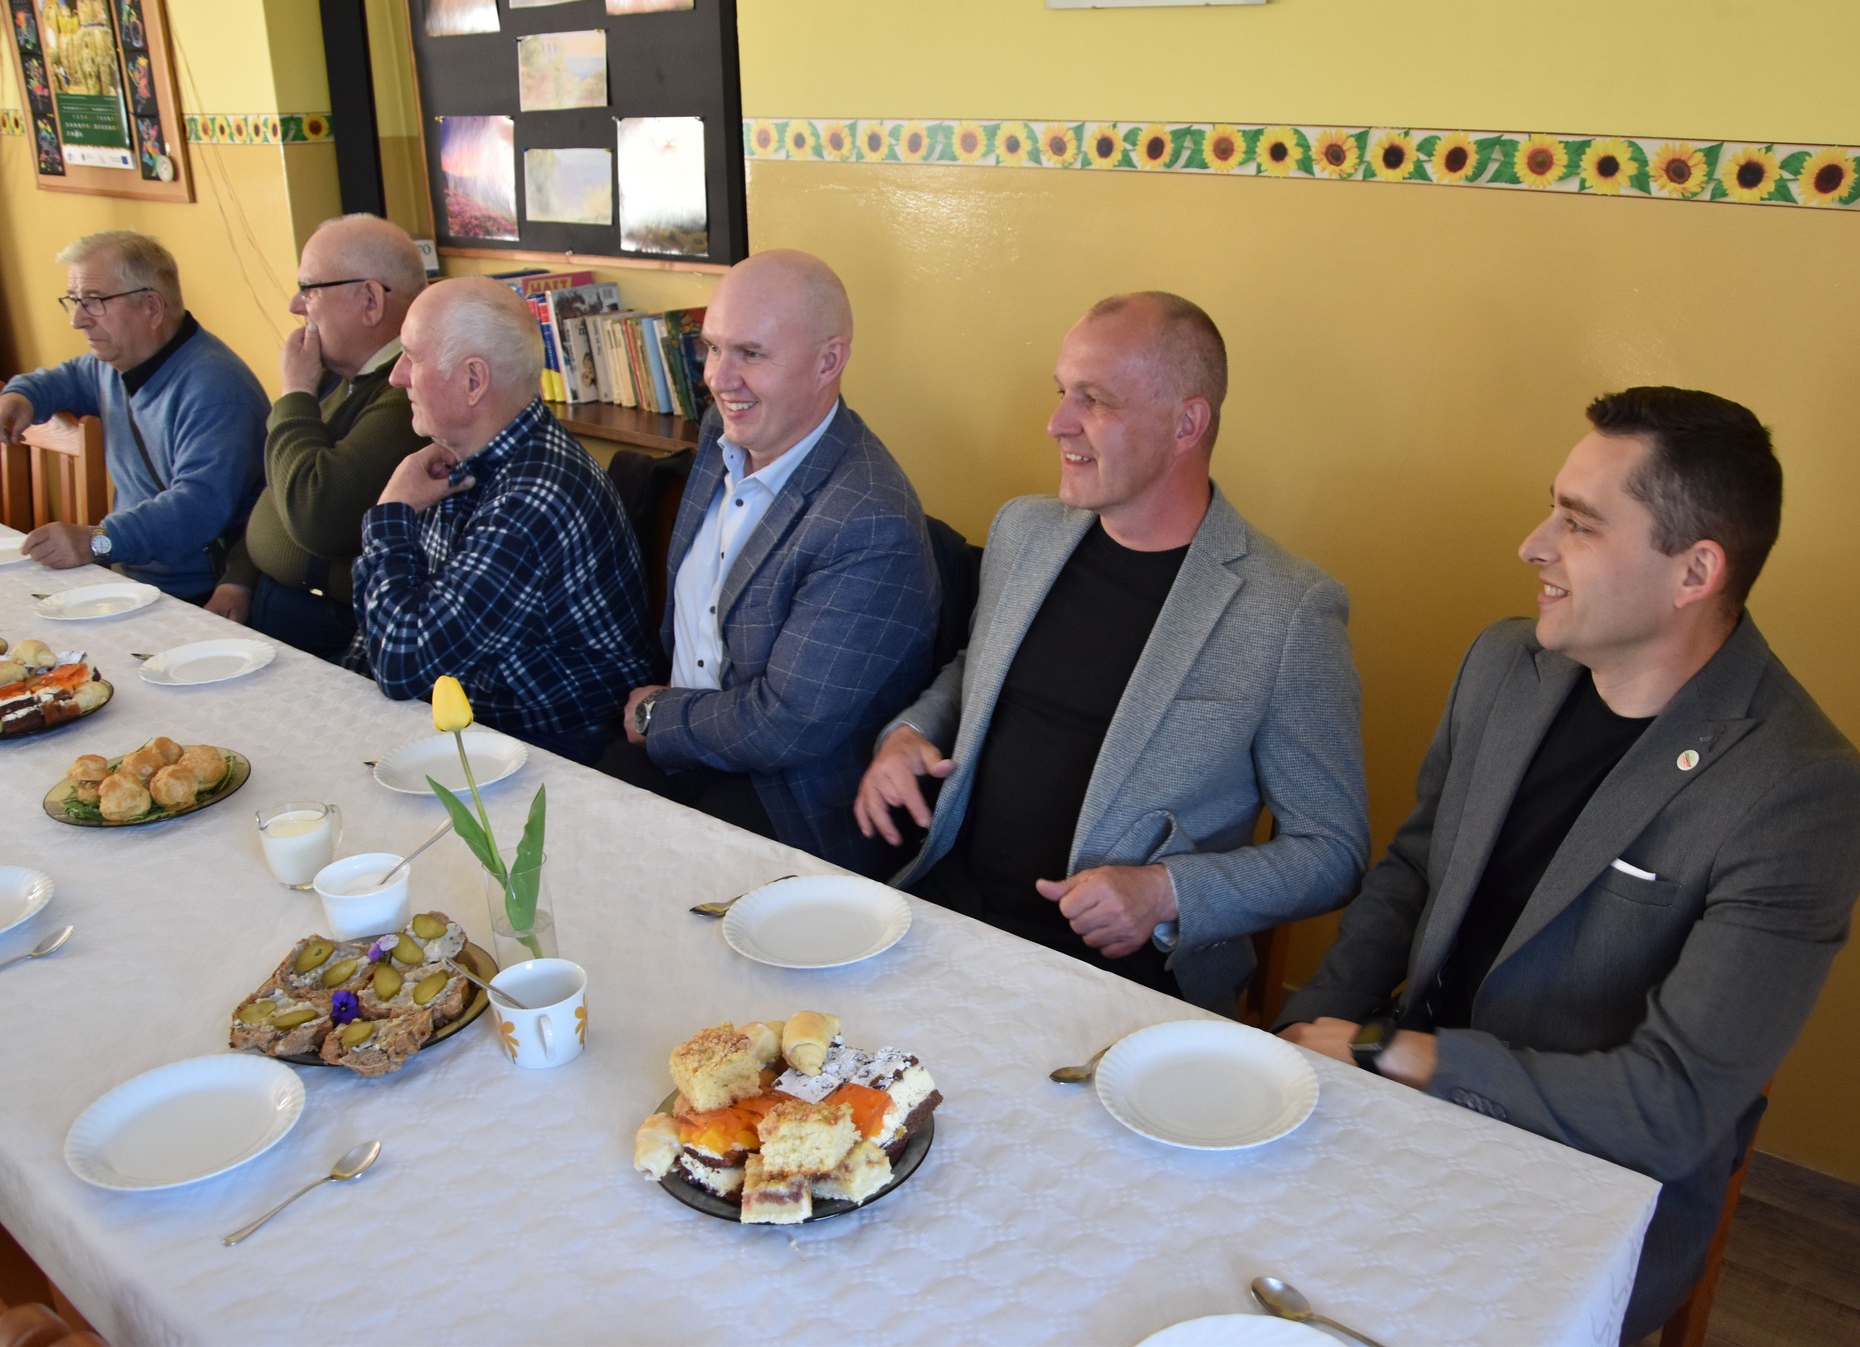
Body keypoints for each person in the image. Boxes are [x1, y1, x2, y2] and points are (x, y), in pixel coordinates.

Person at [1275, 387, 1860, 1340]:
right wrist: (1299, 1032)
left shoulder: (1800, 794)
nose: (1533, 545)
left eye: (1579, 523)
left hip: (1586, 1181)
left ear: (1695, 571)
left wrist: (1395, 1054)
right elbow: (1414, 871)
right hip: (1395, 1092)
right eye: (1551, 509)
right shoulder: (1503, 663)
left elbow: (1672, 1106)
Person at [854, 292, 1368, 1015]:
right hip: (950, 913)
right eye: (1061, 392)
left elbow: (1332, 848)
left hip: (1117, 978)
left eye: (1093, 400)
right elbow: (977, 669)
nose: (1057, 423)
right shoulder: (1023, 530)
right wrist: (910, 733)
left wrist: (1165, 892)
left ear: (1186, 424)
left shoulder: (1288, 611)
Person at [605, 250, 937, 876]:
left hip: (786, 804)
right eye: (713, 348)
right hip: (686, 750)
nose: (719, 378)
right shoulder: (726, 428)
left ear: (828, 362)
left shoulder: (867, 519)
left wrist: (656, 716)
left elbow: (786, 725)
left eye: (751, 354)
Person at [348, 277, 655, 762]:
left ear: (473, 381)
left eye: (411, 357)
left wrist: (392, 513)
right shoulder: (462, 458)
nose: (396, 377)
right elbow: (378, 627)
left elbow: (401, 663)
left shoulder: (533, 498)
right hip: (476, 719)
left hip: (550, 750)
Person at [205, 214, 428, 658]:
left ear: (370, 301)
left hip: (331, 628)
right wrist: (239, 578)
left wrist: (294, 394)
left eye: (309, 289)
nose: (296, 305)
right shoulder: (334, 374)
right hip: (271, 600)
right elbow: (277, 489)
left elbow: (317, 516)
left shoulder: (407, 399)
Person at [0, 230, 267, 601]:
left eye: (93, 301)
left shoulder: (217, 389)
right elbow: (68, 378)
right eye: (74, 301)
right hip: (134, 579)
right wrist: (20, 396)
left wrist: (96, 541)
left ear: (152, 308)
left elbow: (197, 507)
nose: (77, 320)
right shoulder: (117, 361)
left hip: (199, 594)